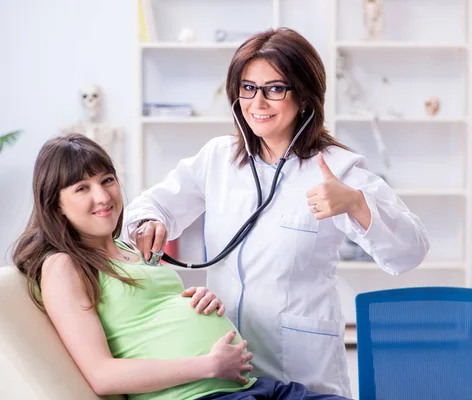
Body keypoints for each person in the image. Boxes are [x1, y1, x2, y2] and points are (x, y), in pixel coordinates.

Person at [125, 27, 430, 397]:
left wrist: (354, 203)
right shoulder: (219, 157)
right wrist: (149, 222)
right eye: (248, 88)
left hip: (301, 369)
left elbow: (411, 249)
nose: (258, 103)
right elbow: (149, 205)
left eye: (275, 88)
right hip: (227, 368)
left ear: (303, 96)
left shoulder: (337, 168)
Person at [12, 134, 350, 400]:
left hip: (249, 387)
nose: (102, 197)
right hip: (199, 395)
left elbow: (150, 315)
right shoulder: (63, 265)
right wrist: (209, 365)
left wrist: (197, 300)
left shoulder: (128, 247)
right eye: (82, 188)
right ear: (54, 202)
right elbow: (102, 375)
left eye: (108, 180)